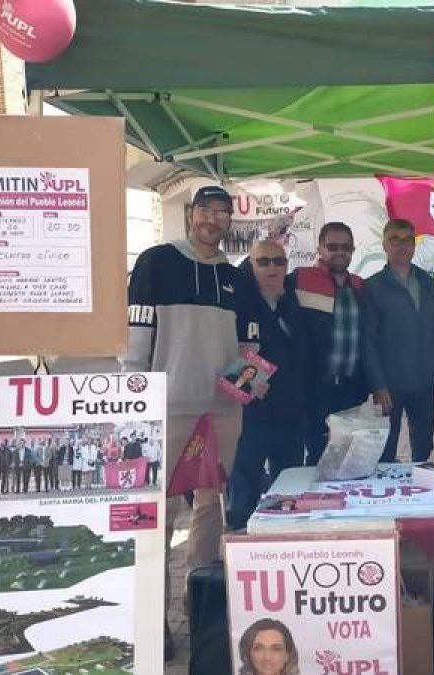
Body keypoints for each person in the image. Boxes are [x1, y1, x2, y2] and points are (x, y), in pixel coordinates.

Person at [119, 185, 248, 657]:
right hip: (166, 405)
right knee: (158, 513)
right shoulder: (156, 261)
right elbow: (136, 331)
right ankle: (154, 620)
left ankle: (200, 608)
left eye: (222, 212)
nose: (213, 219)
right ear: (191, 214)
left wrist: (248, 382)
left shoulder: (234, 278)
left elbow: (243, 351)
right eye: (206, 210)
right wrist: (134, 393)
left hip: (221, 408)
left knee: (212, 507)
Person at [228, 240, 309, 530]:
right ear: (251, 265)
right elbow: (225, 350)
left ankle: (283, 539)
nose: (272, 268)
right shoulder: (238, 302)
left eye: (278, 262)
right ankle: (238, 538)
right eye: (263, 262)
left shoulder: (293, 301)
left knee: (288, 484)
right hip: (252, 412)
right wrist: (246, 385)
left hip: (291, 411)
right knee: (244, 483)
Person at [363, 219, 434, 463]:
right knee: (386, 449)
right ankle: (386, 498)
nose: (402, 246)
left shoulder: (427, 282)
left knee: (424, 448)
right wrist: (378, 385)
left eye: (408, 240)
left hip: (424, 381)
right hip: (389, 385)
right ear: (384, 244)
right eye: (395, 239)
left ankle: (421, 496)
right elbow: (367, 342)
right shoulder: (373, 287)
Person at [291, 221, 369, 467]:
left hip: (350, 389)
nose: (339, 252)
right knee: (317, 454)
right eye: (332, 246)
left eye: (345, 247)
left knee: (347, 455)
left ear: (353, 250)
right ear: (320, 248)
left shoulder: (359, 285)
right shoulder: (299, 279)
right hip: (315, 389)